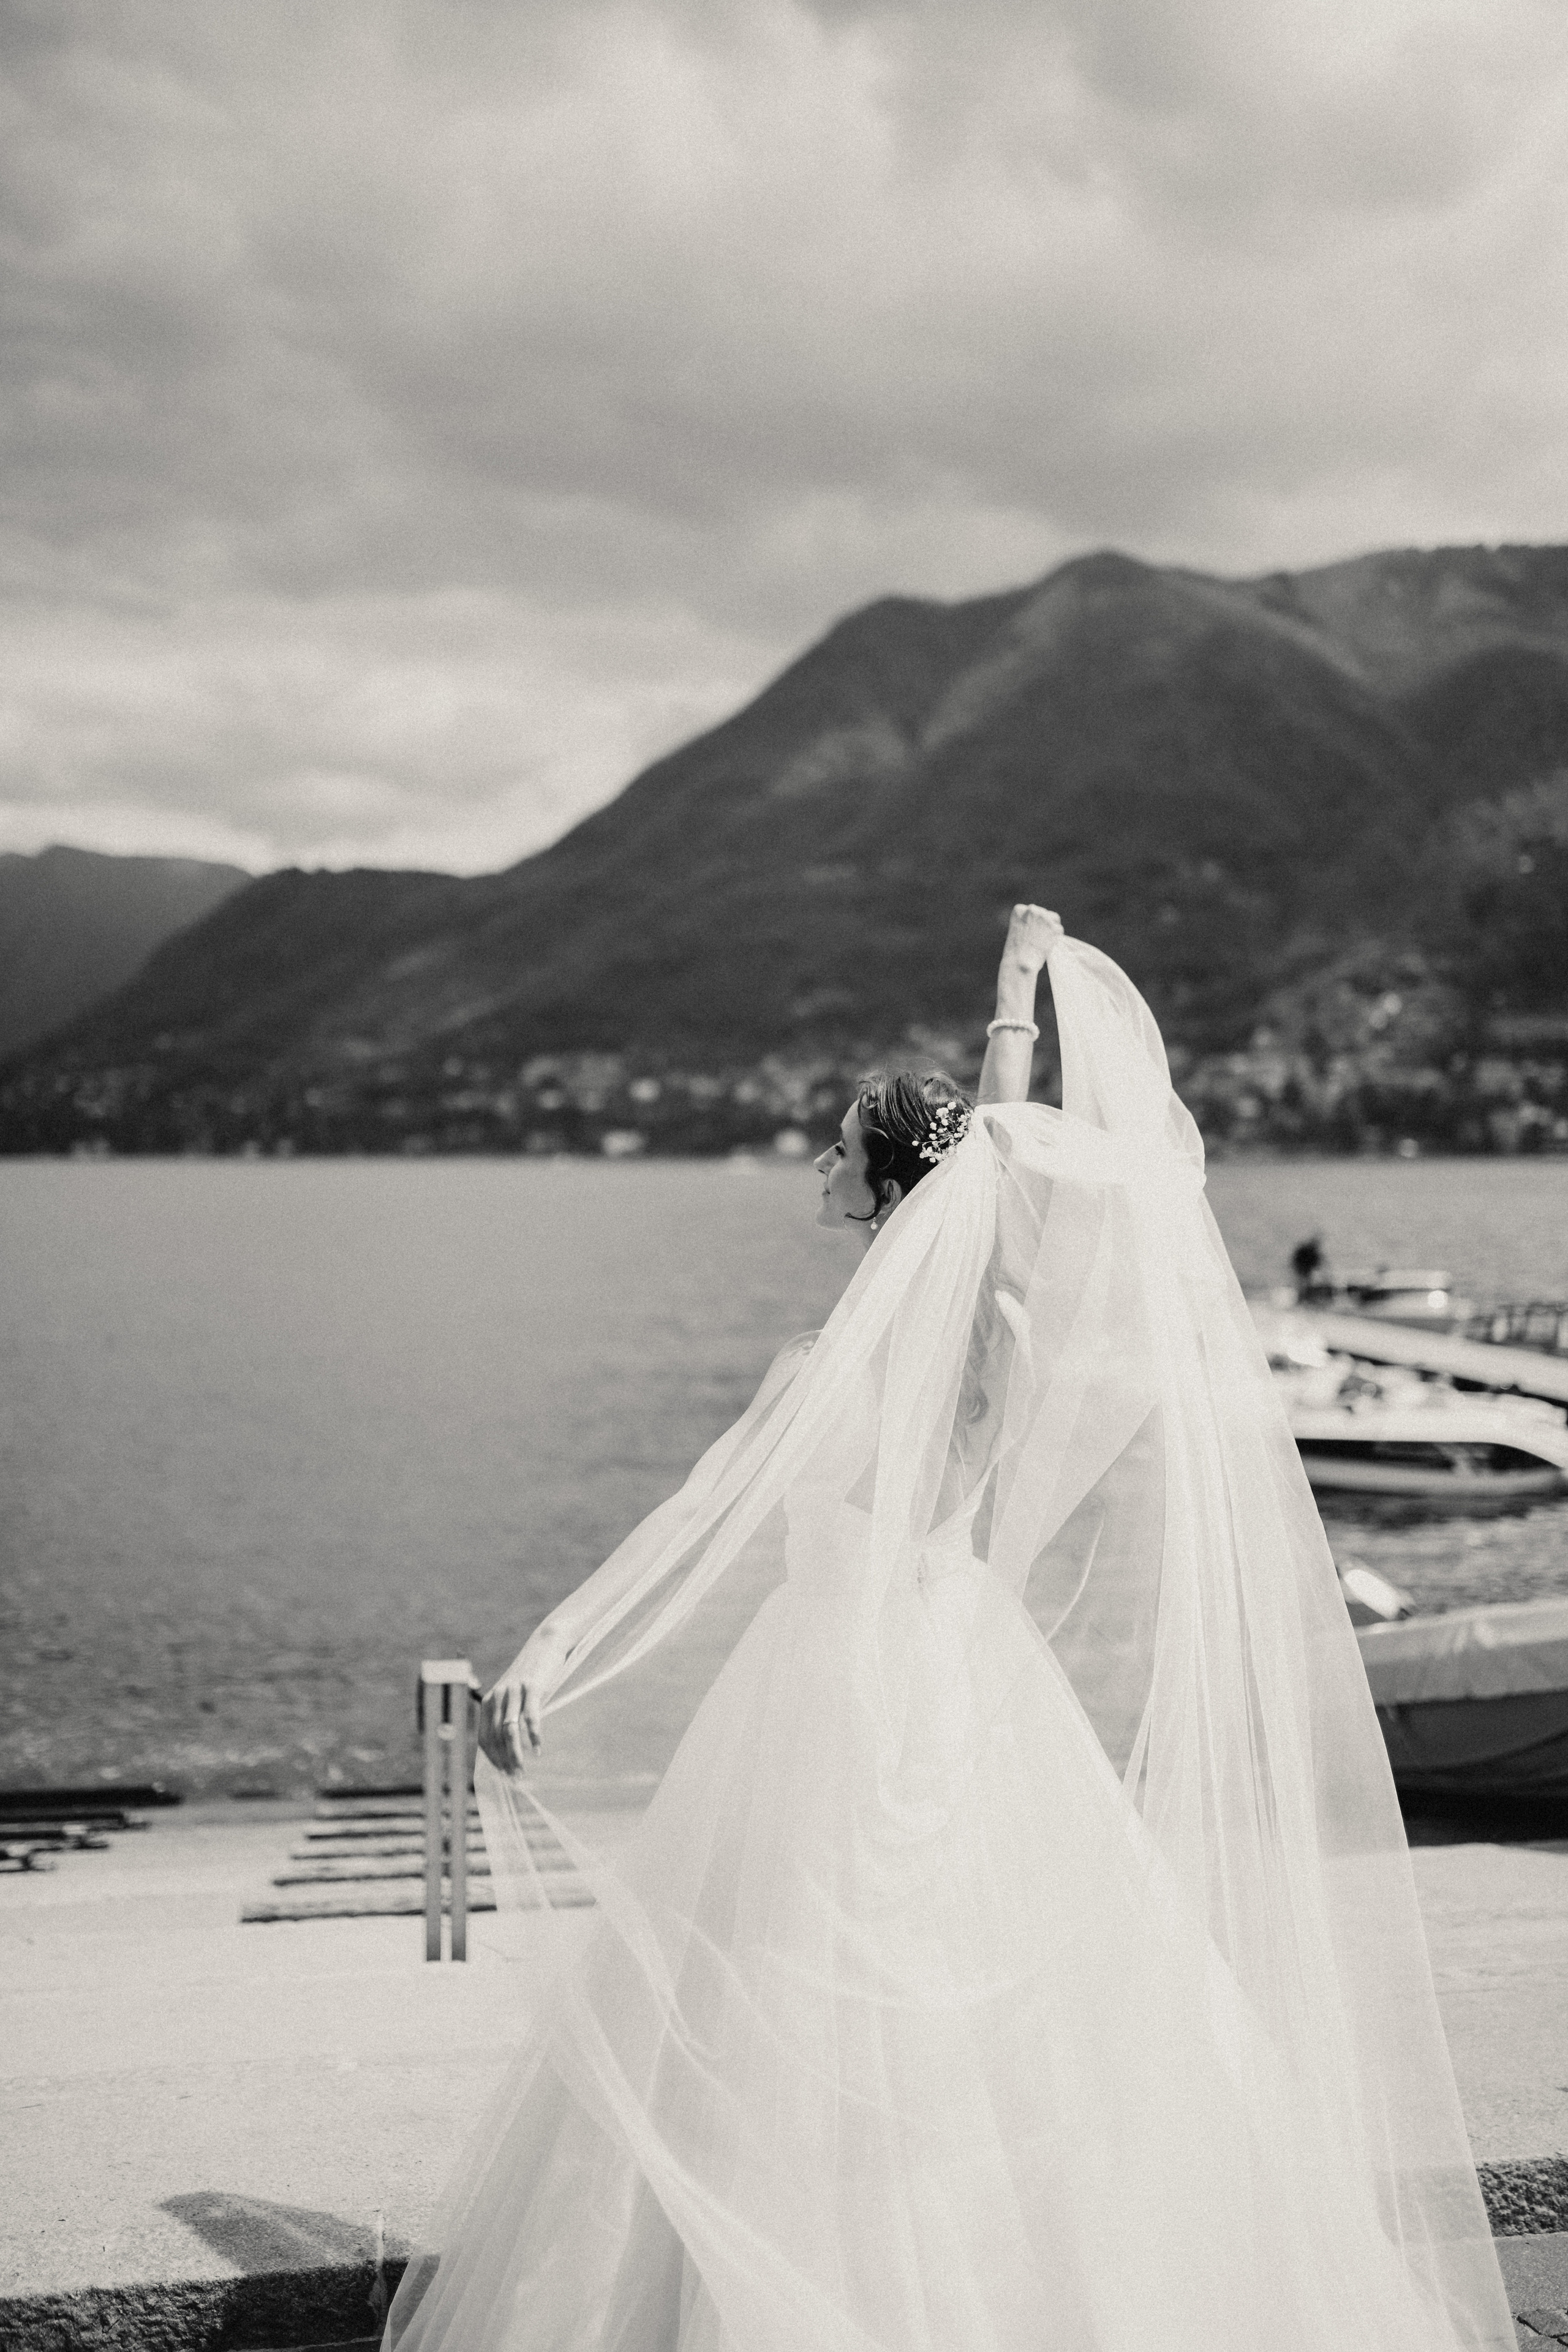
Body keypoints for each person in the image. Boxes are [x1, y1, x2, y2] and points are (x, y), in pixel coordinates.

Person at [386, 908, 1513, 2352]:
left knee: (782, 1995)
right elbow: (987, 1166)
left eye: (833, 1147)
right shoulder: (1001, 1342)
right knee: (996, 2013)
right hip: (963, 1674)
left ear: (878, 1188)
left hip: (829, 1688)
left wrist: (555, 1648)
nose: (813, 1160)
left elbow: (693, 1520)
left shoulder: (828, 1361)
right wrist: (1012, 1000)